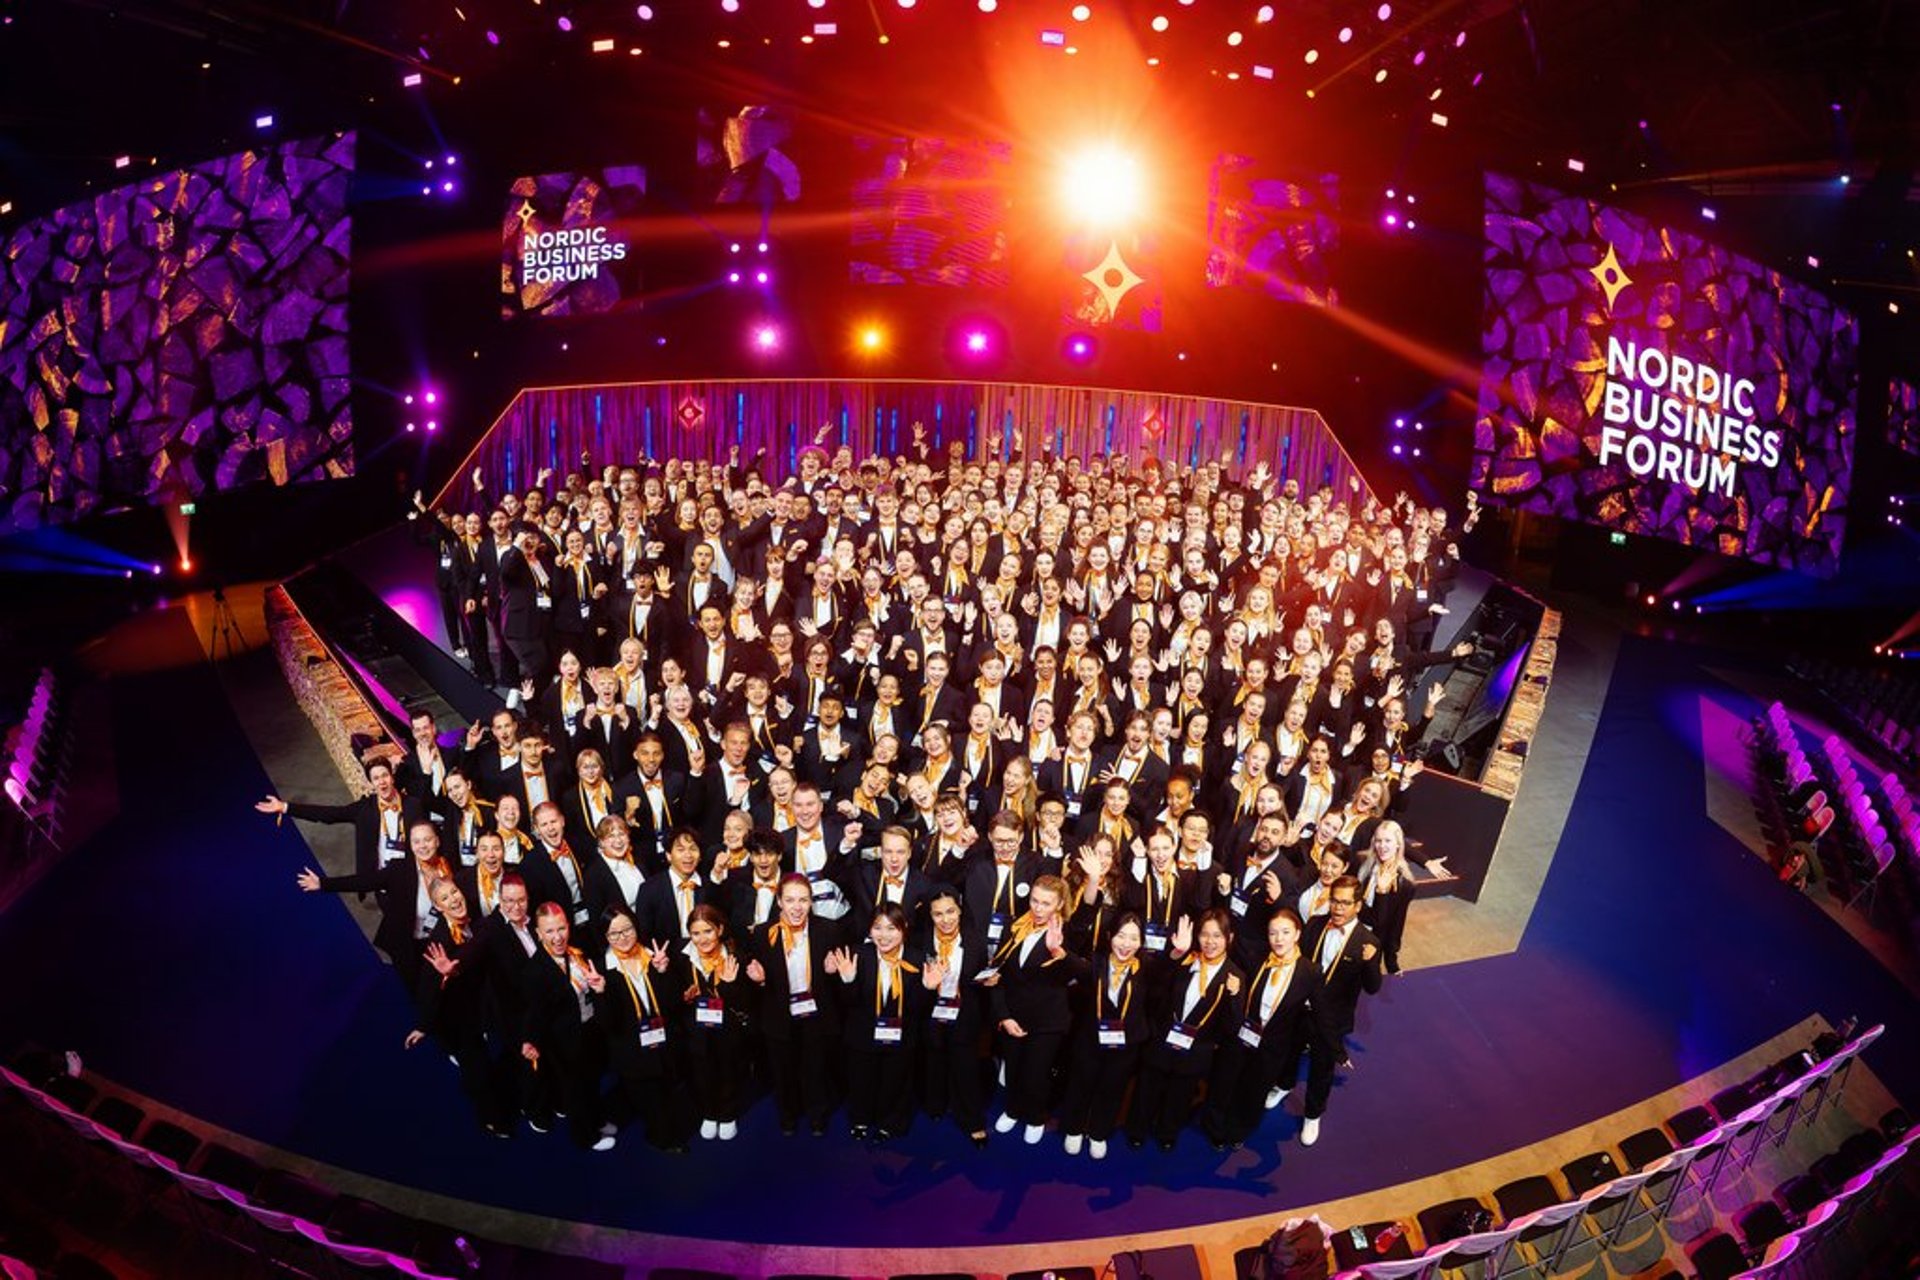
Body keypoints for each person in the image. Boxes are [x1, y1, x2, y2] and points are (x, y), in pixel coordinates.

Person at [1201, 907, 1323, 1149]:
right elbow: (1230, 936)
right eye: (1273, 933)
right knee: (1224, 1082)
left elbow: (1322, 1013)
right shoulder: (1257, 957)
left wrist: (1336, 1048)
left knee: (1254, 1092)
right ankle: (1214, 1127)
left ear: (1297, 934)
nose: (1279, 939)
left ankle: (1238, 1132)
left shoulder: (1310, 972)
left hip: (1272, 1047)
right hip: (1241, 1036)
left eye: (1285, 932)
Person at [1127, 910, 1242, 1150]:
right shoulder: (1185, 959)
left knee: (1180, 1094)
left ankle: (1167, 1132)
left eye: (1217, 936)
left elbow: (1232, 1027)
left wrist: (1234, 997)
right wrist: (1175, 954)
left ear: (1229, 938)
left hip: (1196, 1049)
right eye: (1204, 935)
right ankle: (1137, 1128)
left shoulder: (1235, 976)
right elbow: (1155, 982)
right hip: (1163, 1038)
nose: (1210, 942)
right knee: (1148, 1086)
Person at [986, 874, 1087, 1144]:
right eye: (1034, 901)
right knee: (1014, 1068)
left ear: (1059, 904)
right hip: (1013, 1015)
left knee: (1036, 1073)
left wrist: (1059, 952)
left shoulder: (1068, 933)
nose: (1038, 908)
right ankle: (1012, 1109)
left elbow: (1081, 972)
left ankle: (1035, 1117)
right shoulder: (1016, 926)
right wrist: (1003, 1016)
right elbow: (999, 976)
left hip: (1047, 1021)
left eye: (1046, 903)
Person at [745, 875, 843, 1136]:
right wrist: (760, 981)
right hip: (779, 1015)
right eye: (790, 900)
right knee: (783, 1070)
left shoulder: (829, 930)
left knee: (816, 1069)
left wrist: (832, 974)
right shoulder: (763, 933)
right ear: (779, 901)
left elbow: (840, 984)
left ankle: (817, 1115)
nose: (797, 907)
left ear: (811, 902)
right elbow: (755, 983)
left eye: (803, 900)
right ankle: (788, 1116)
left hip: (816, 1013)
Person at [518, 902, 617, 1151]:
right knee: (575, 1090)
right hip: (564, 1042)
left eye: (561, 928)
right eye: (549, 931)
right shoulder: (535, 970)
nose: (558, 937)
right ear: (538, 933)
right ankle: (586, 1137)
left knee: (592, 1081)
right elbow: (536, 1012)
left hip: (589, 1029)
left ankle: (597, 1119)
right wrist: (531, 1040)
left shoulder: (576, 951)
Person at [1057, 912, 1153, 1159]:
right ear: (1110, 937)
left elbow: (1169, 969)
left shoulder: (1146, 968)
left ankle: (1098, 1132)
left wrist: (1177, 952)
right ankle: (1074, 1129)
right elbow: (1074, 966)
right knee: (1080, 1084)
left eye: (1133, 938)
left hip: (1126, 1043)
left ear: (1141, 942)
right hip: (1090, 1039)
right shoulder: (1096, 962)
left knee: (1112, 1088)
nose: (1126, 944)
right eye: (1121, 936)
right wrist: (1059, 950)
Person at [1298, 875, 1383, 1145]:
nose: (1338, 908)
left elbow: (1372, 988)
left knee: (1321, 1069)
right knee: (1287, 1051)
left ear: (1358, 906)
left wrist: (1371, 963)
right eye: (1335, 901)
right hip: (1300, 1008)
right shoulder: (1315, 924)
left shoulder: (1368, 942)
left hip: (1332, 1019)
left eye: (1345, 903)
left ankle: (1312, 1114)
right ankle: (1283, 1085)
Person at [833, 903, 928, 1141]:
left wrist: (927, 988)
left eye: (891, 928)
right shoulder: (857, 954)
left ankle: (890, 1123)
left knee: (896, 1082)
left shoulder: (917, 958)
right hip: (862, 1034)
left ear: (904, 929)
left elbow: (918, 1009)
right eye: (877, 928)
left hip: (901, 1036)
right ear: (869, 929)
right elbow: (847, 1003)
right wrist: (848, 980)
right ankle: (860, 1119)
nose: (883, 935)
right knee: (861, 1079)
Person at [598, 907, 687, 1153]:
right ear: (605, 936)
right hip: (631, 1050)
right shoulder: (602, 969)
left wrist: (663, 972)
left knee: (667, 1092)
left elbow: (673, 1004)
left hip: (662, 1040)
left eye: (627, 929)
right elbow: (608, 1024)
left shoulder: (652, 956)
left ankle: (669, 1129)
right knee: (648, 1099)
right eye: (614, 933)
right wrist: (601, 993)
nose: (623, 937)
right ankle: (661, 1139)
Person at [917, 887, 991, 1146]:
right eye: (938, 914)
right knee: (934, 1060)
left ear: (960, 910)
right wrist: (927, 985)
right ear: (930, 915)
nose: (945, 919)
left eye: (950, 911)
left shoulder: (975, 940)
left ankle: (973, 1121)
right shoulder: (920, 941)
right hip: (930, 1012)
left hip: (964, 1012)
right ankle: (935, 1105)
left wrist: (988, 981)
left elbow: (978, 977)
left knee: (966, 1067)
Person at [673, 904, 750, 1141]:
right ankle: (709, 1113)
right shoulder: (681, 957)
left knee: (728, 1070)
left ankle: (727, 1114)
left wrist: (728, 985)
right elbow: (672, 997)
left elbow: (745, 1002)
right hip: (696, 1029)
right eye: (696, 933)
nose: (702, 939)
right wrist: (684, 997)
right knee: (701, 1073)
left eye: (708, 931)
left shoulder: (736, 956)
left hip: (727, 1027)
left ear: (720, 929)